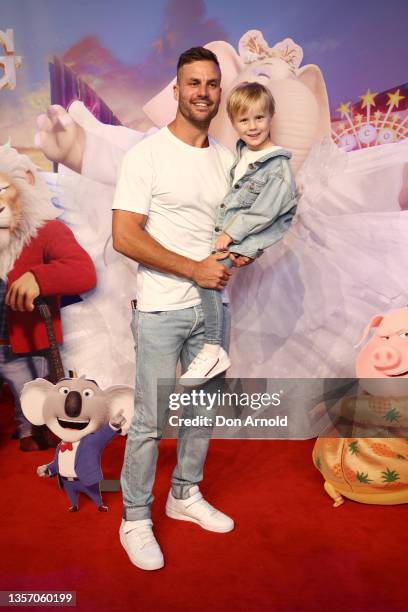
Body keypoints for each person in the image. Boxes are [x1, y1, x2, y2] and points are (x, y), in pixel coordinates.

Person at [111, 47, 253, 571]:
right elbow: (124, 236)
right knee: (150, 420)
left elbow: (233, 230)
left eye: (211, 84)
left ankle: (184, 495)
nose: (202, 92)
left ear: (221, 91)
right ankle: (135, 517)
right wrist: (193, 269)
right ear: (176, 90)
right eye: (192, 83)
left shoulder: (227, 159)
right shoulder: (146, 155)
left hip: (214, 309)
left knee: (202, 412)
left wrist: (241, 248)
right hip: (160, 309)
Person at [180, 82, 298, 384]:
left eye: (259, 118)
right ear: (234, 123)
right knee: (210, 286)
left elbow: (265, 212)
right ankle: (211, 348)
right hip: (229, 235)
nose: (253, 126)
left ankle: (212, 349)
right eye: (244, 120)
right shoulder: (243, 154)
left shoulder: (277, 166)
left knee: (209, 284)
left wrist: (232, 237)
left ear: (271, 116)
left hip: (239, 238)